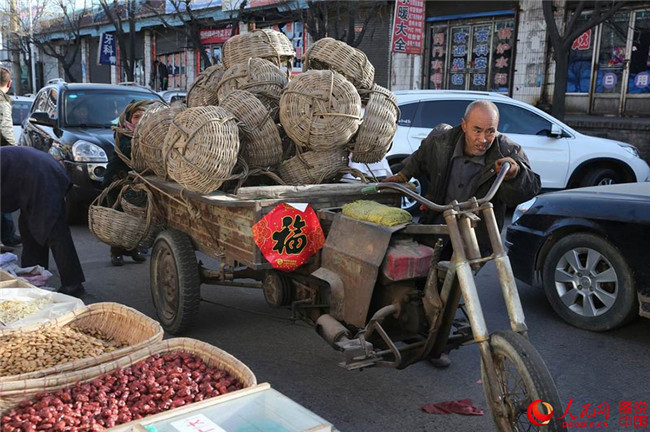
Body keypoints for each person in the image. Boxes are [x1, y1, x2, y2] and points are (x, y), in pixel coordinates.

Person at [385, 100, 541, 367]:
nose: (483, 139)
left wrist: (515, 173)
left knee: (454, 287)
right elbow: (418, 161)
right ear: (464, 125)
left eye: (490, 131)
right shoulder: (442, 140)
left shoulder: (508, 150)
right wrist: (399, 178)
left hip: (474, 234)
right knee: (424, 280)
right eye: (477, 130)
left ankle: (438, 345)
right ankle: (416, 326)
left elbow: (530, 186)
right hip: (437, 223)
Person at [0, 146, 86, 297]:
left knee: (54, 231)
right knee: (29, 227)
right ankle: (33, 276)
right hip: (34, 176)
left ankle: (73, 284)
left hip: (42, 177)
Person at [102, 101, 148, 266]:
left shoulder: (146, 133)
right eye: (136, 117)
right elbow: (129, 151)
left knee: (134, 217)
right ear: (129, 119)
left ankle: (132, 249)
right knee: (118, 216)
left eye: (143, 116)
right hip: (116, 180)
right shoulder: (124, 134)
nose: (140, 120)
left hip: (133, 182)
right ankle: (116, 252)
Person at [0, 66, 22, 248]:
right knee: (4, 196)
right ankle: (7, 236)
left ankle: (7, 235)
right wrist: (15, 152)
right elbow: (6, 128)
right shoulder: (2, 101)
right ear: (9, 83)